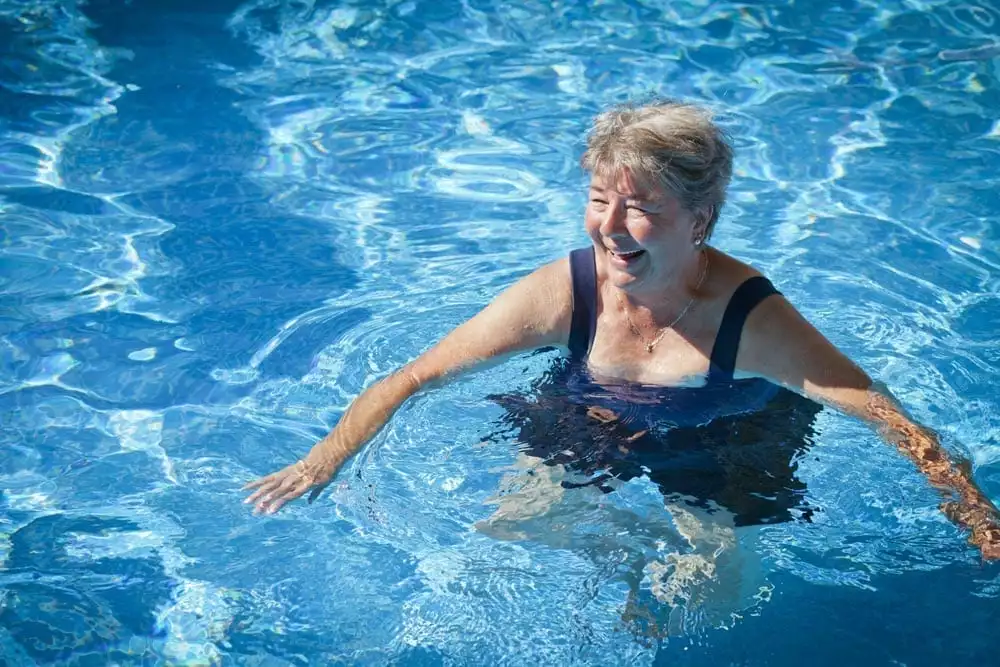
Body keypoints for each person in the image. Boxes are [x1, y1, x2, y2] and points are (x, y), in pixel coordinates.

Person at [244, 98, 1000, 561]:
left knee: (705, 587)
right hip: (594, 412)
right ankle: (629, 554)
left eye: (639, 207)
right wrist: (325, 458)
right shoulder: (566, 290)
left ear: (700, 220)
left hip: (728, 433)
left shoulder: (752, 319)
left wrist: (975, 514)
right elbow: (413, 376)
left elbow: (890, 416)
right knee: (513, 531)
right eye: (599, 198)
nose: (610, 227)